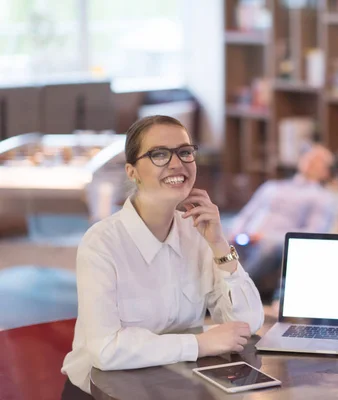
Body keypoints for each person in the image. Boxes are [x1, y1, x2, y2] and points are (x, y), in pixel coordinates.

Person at [61, 116, 264, 399]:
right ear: (132, 172)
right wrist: (199, 344)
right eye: (159, 154)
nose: (176, 163)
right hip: (103, 392)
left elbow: (247, 324)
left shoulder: (199, 232)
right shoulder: (102, 243)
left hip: (173, 386)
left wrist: (219, 244)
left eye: (184, 152)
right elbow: (106, 350)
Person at [227, 144, 338, 292]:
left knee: (269, 247)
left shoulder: (322, 197)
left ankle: (234, 289)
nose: (311, 161)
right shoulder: (272, 186)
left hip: (276, 242)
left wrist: (265, 237)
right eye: (309, 156)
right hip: (245, 237)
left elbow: (313, 233)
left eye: (318, 160)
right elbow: (246, 214)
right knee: (214, 236)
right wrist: (236, 231)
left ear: (326, 172)